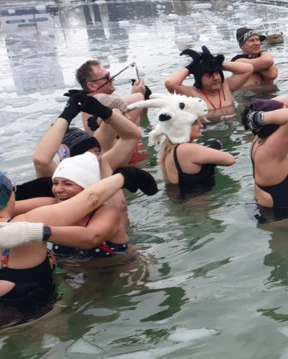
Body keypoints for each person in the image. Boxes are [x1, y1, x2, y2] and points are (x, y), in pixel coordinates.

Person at [0, 165, 156, 326]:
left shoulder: (107, 212)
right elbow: (91, 198)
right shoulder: (24, 224)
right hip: (37, 318)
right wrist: (125, 176)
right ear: (9, 197)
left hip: (111, 267)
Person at [136, 94, 234, 194]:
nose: (201, 126)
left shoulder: (169, 149)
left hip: (182, 203)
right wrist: (213, 147)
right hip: (198, 205)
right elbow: (230, 159)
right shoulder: (186, 149)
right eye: (195, 123)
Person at [33, 91, 142, 179]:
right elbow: (41, 161)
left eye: (97, 152)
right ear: (70, 160)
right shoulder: (60, 180)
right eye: (89, 156)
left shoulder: (103, 167)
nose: (97, 159)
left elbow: (132, 136)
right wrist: (66, 115)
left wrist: (105, 112)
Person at [241, 98, 288, 219]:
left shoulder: (259, 139)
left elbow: (287, 100)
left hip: (271, 211)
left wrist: (252, 115)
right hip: (280, 219)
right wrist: (257, 117)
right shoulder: (270, 152)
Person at [165, 46, 254, 119]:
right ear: (199, 78)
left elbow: (248, 69)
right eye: (209, 75)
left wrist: (216, 63)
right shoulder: (191, 94)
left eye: (217, 73)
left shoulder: (227, 86)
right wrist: (191, 67)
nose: (215, 78)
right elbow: (170, 83)